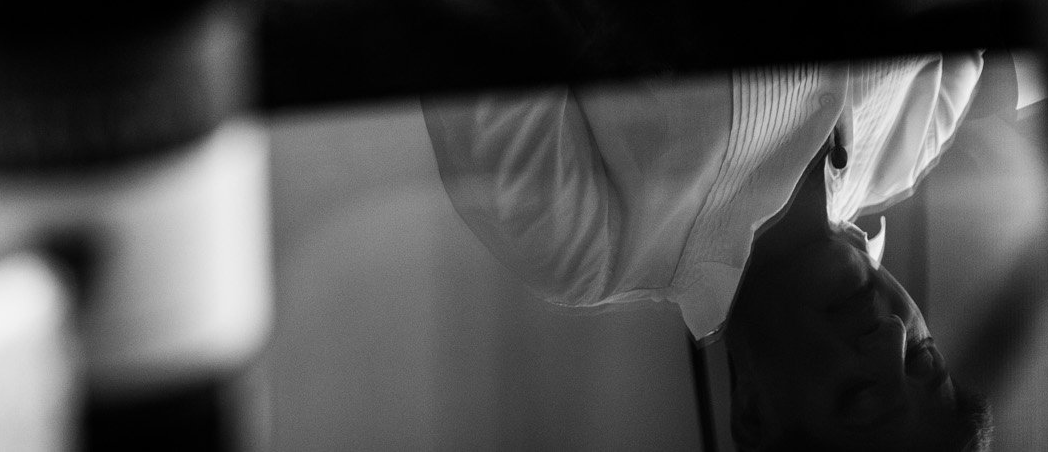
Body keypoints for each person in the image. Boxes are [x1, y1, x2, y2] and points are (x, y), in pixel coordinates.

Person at [423, 57, 990, 451]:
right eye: (923, 359)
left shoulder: (577, 243)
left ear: (755, 413)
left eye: (859, 393)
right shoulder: (916, 134)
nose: (890, 332)